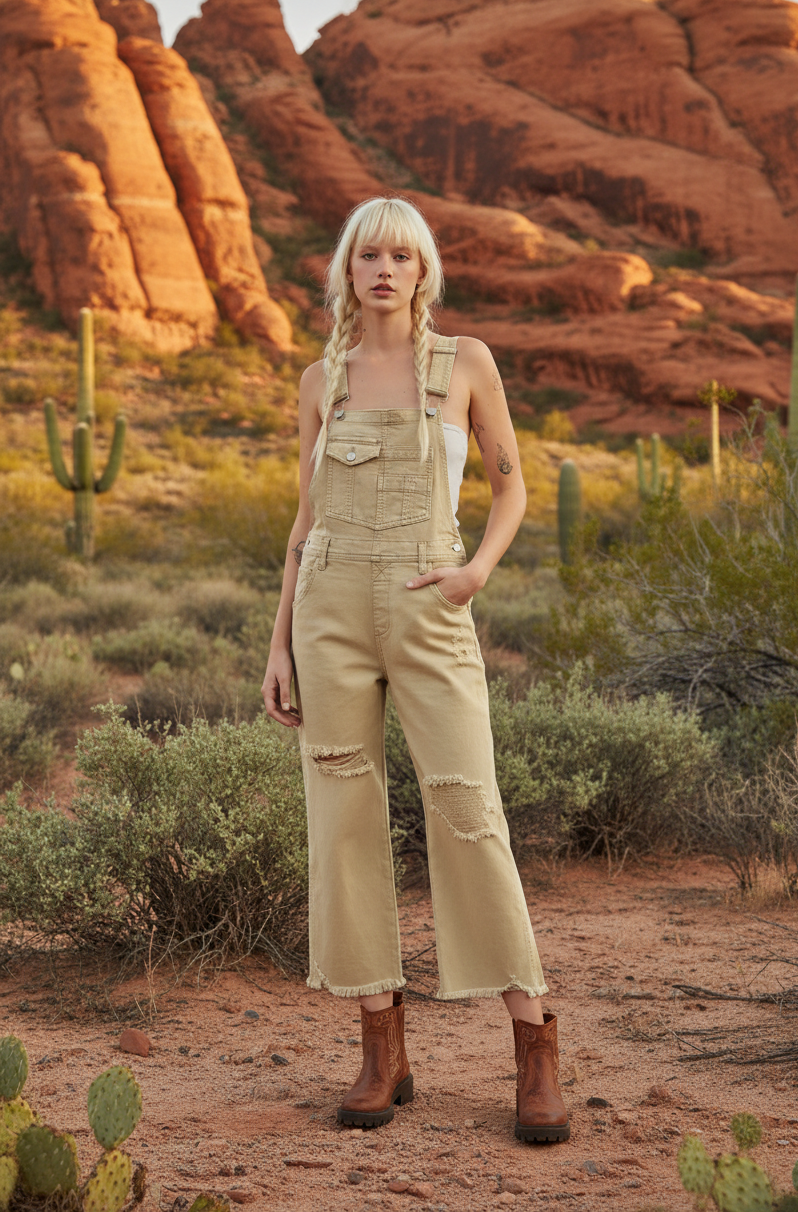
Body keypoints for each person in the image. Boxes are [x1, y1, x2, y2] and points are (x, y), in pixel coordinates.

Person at [261, 196, 569, 1143]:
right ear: (347, 273)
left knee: (468, 807)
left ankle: (535, 1044)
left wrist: (475, 570)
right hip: (329, 612)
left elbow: (510, 482)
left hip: (431, 608)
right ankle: (381, 1051)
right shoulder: (323, 380)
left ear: (424, 270)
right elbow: (304, 525)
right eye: (368, 256)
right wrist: (278, 643)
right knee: (343, 816)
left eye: (401, 255)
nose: (385, 270)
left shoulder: (465, 363)